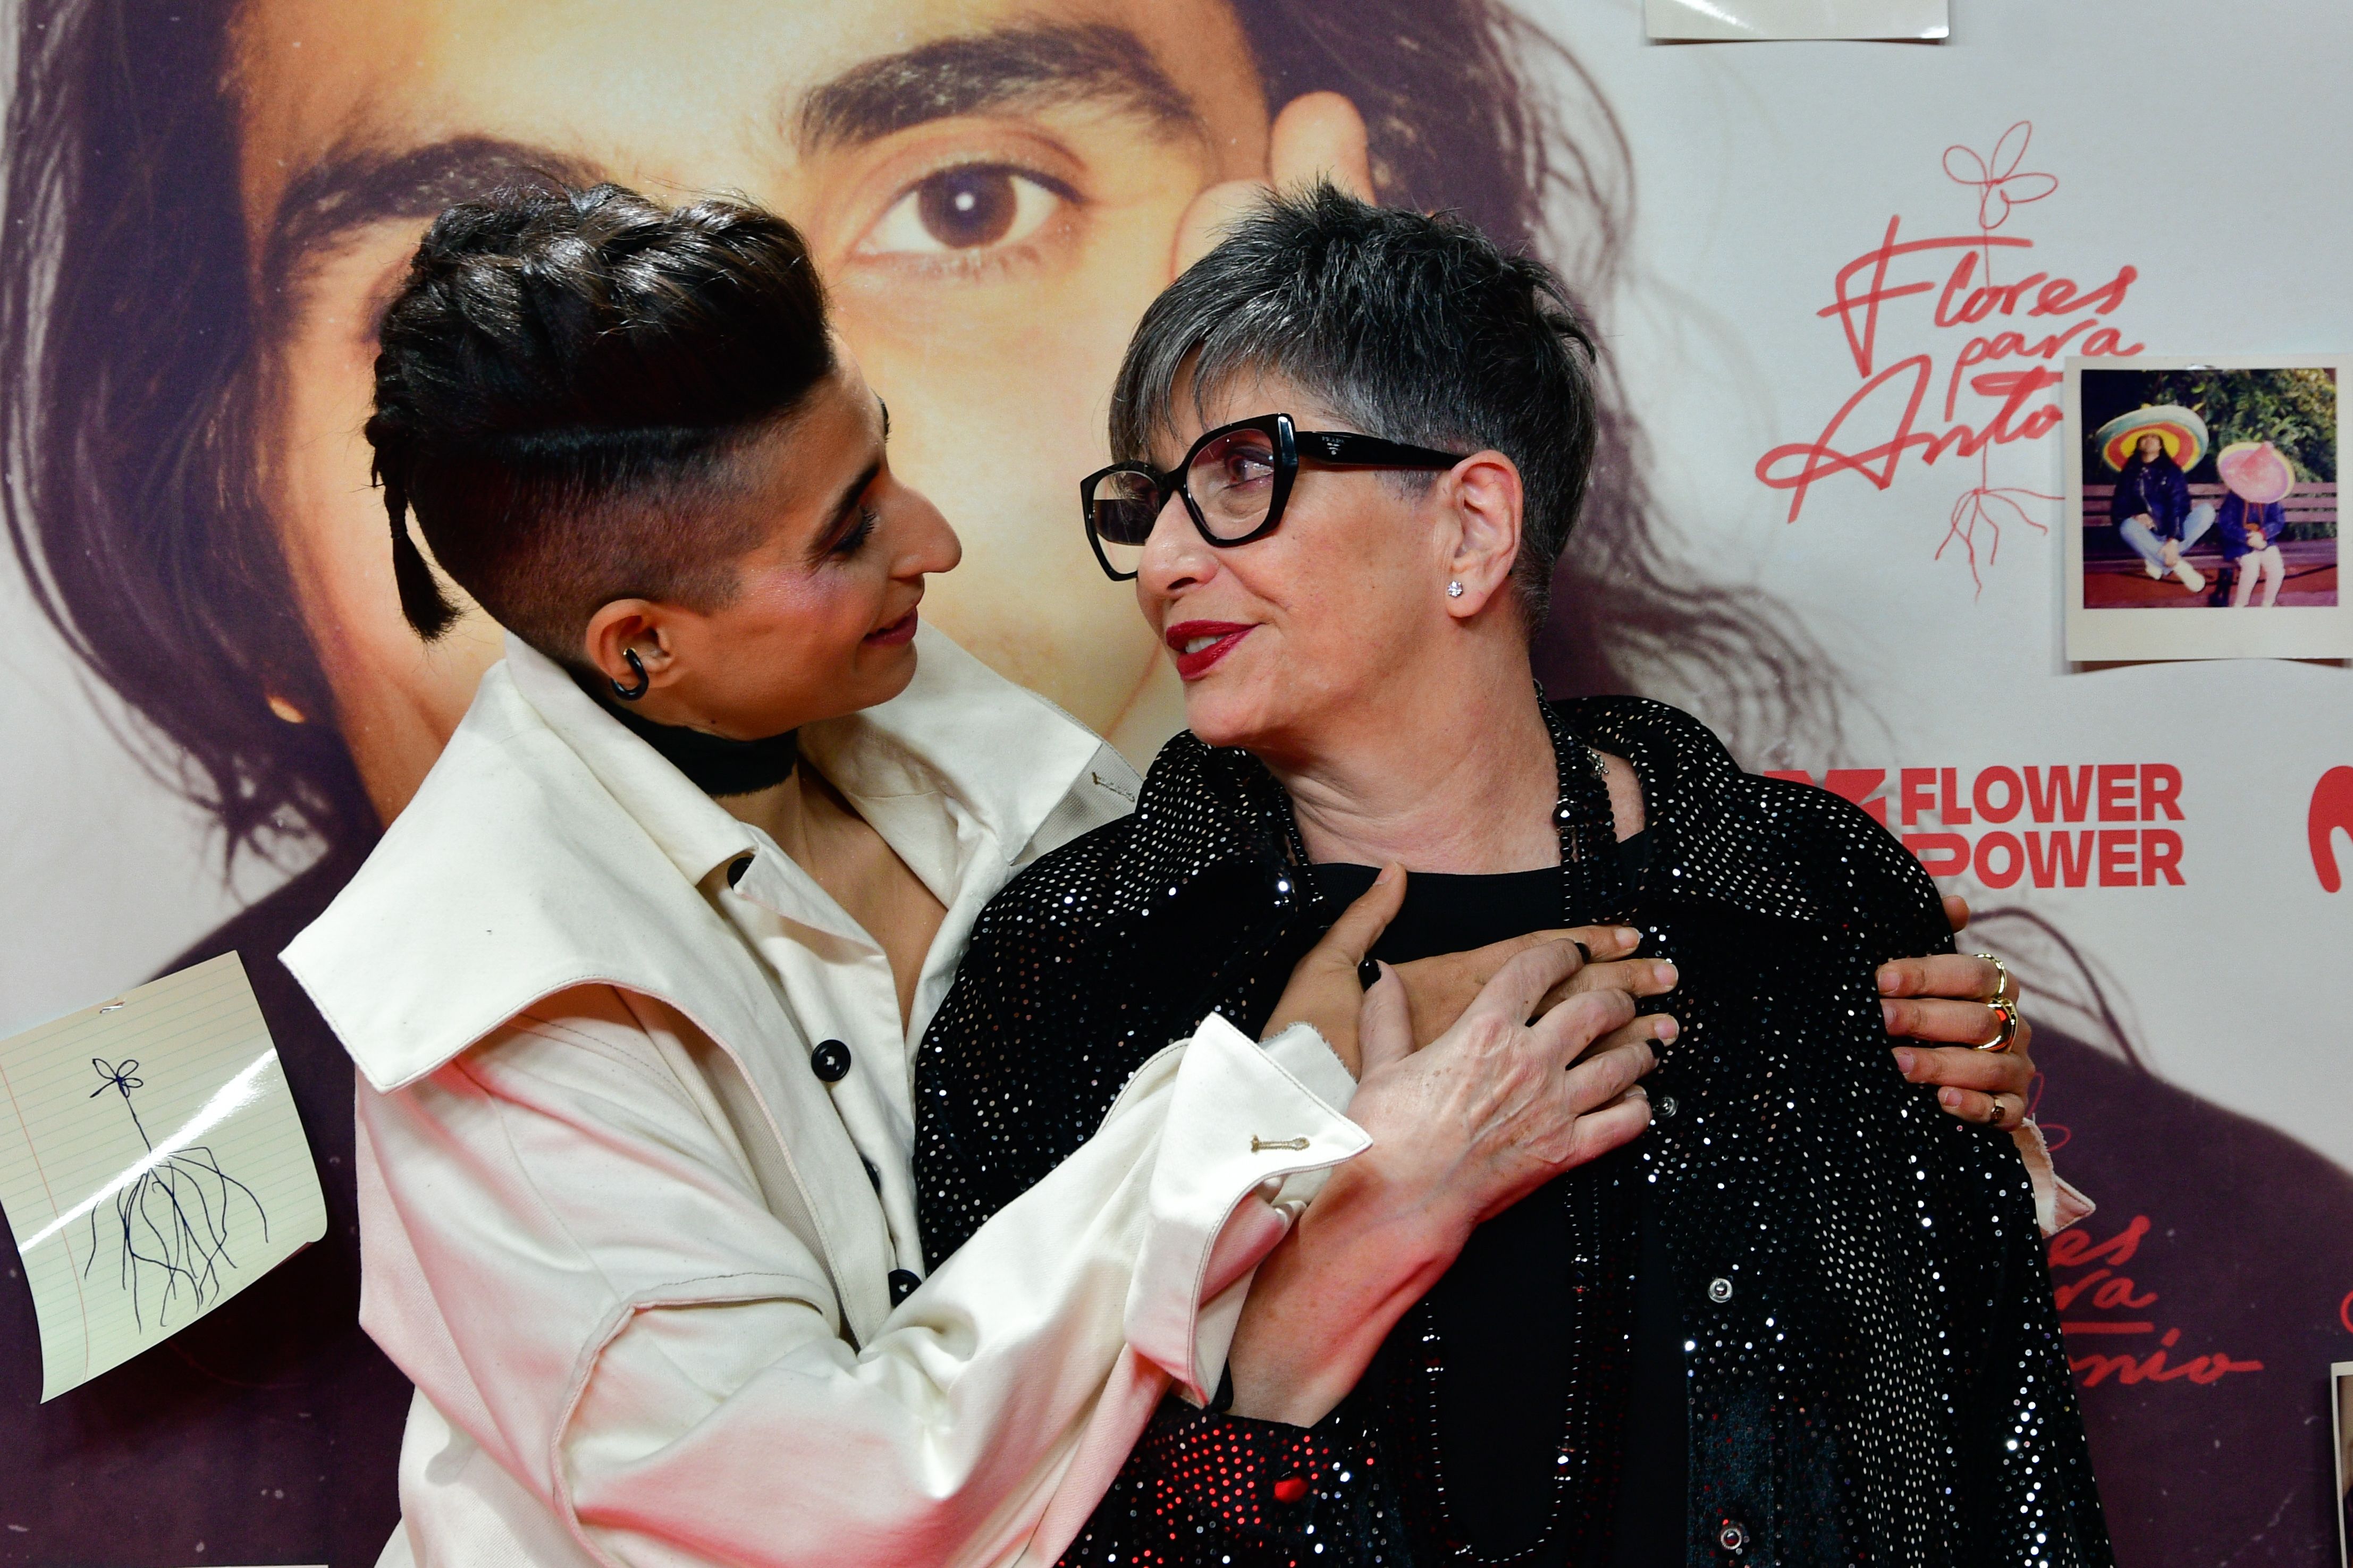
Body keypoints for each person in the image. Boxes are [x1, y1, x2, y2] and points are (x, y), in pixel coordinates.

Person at [0, 10, 1768, 1560]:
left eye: (968, 200)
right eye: (845, 535)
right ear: (641, 647)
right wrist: (1258, 1138)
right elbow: (845, 1505)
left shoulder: (978, 754)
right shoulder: (488, 1048)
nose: (925, 548)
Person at [915, 188, 2111, 1566]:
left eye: (1242, 477)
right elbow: (988, 1503)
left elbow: (1995, 1448)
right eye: (1150, 500)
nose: (1169, 562)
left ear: (1472, 526)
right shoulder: (1074, 958)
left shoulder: (1799, 893)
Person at [2103, 419, 2216, 594]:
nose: (2149, 440)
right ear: (2139, 444)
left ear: (2161, 445)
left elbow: (2180, 506)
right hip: (2145, 535)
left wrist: (2173, 540)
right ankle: (2177, 565)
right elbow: (2118, 508)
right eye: (2145, 437)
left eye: (2154, 437)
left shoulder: (2172, 471)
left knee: (2207, 511)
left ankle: (2156, 558)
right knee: (2127, 527)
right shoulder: (2129, 472)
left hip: (2174, 533)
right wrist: (2135, 516)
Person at [2213, 440, 2294, 608]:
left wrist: (2263, 534)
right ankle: (2240, 606)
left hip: (2264, 540)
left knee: (2277, 570)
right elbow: (2226, 524)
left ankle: (2267, 605)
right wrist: (2247, 536)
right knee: (2251, 569)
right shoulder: (2234, 497)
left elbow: (2278, 521)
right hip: (2239, 542)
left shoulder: (2271, 497)